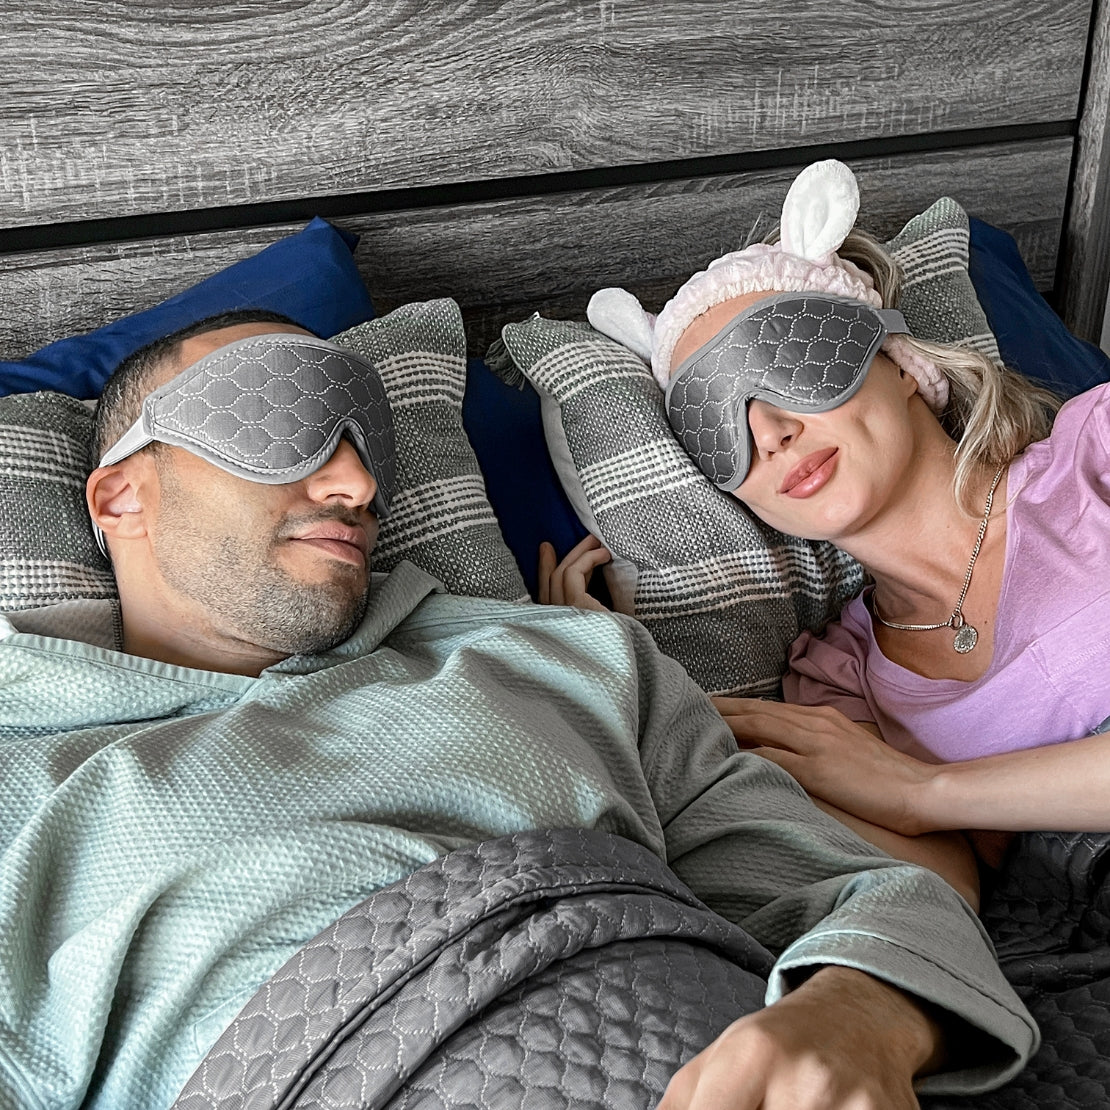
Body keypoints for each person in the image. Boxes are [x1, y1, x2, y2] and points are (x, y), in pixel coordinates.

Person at [0, 309, 1037, 1110]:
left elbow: (867, 895)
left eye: (370, 447)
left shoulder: (563, 659)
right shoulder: (23, 775)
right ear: (117, 496)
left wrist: (863, 1011)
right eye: (282, 418)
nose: (358, 482)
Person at [543, 158, 1110, 874]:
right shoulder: (837, 684)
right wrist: (614, 684)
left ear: (900, 363)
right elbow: (936, 904)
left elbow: (915, 804)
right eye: (718, 424)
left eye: (794, 360)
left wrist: (926, 790)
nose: (772, 432)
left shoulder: (1097, 452)